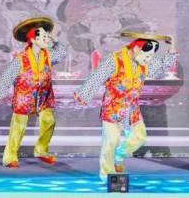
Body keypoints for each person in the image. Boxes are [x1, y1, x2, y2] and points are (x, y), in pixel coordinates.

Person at [74, 31, 177, 180]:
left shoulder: (144, 62)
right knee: (111, 142)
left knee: (139, 137)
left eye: (150, 57)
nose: (148, 59)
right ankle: (107, 175)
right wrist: (83, 96)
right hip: (113, 108)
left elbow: (162, 67)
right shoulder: (114, 60)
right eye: (147, 55)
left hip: (131, 109)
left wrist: (172, 45)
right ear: (136, 49)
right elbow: (96, 77)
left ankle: (119, 155)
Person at [0, 17, 67, 168]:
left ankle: (41, 151)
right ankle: (10, 157)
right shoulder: (20, 59)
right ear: (33, 40)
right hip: (24, 96)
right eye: (43, 37)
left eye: (47, 36)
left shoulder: (49, 55)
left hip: (44, 96)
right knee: (18, 127)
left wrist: (54, 40)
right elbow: (7, 76)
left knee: (49, 121)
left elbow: (62, 53)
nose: (47, 39)